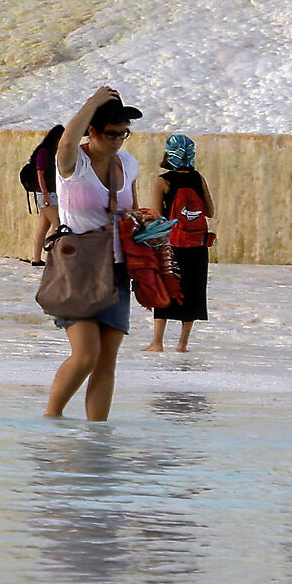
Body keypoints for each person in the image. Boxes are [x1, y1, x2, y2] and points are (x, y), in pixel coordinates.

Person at [42, 87, 143, 420]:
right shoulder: (73, 164)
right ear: (93, 131)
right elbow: (66, 143)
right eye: (111, 133)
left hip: (116, 268)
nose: (117, 140)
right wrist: (93, 102)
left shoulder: (127, 164)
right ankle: (51, 419)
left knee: (106, 359)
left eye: (123, 134)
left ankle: (98, 437)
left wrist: (142, 218)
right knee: (86, 354)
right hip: (78, 268)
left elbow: (132, 206)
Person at [145, 133, 215, 353]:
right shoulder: (197, 178)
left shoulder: (163, 180)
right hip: (197, 246)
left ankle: (157, 342)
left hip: (172, 245)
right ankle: (183, 344)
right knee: (193, 292)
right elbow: (210, 212)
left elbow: (156, 216)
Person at [24, 121, 63, 263]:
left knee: (43, 227)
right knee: (58, 225)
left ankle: (36, 259)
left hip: (47, 193)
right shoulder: (44, 152)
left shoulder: (49, 152)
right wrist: (45, 193)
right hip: (46, 194)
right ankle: (54, 256)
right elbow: (40, 173)